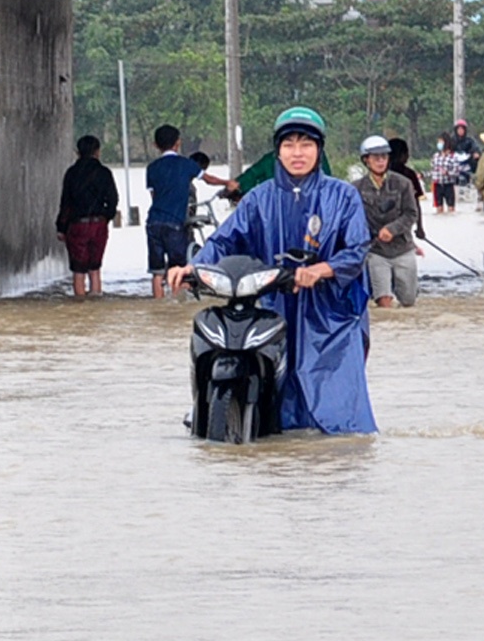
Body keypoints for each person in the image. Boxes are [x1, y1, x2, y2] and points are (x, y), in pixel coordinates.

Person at [167, 106, 375, 434]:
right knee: (279, 403)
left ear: (319, 149)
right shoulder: (258, 199)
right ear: (277, 150)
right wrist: (192, 266)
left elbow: (357, 249)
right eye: (289, 144)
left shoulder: (343, 195)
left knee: (339, 421)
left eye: (306, 144)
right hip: (275, 302)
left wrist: (321, 270)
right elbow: (224, 241)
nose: (297, 153)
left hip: (332, 313)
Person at [351, 134, 422, 309]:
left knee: (408, 301)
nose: (381, 161)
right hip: (375, 251)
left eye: (384, 157)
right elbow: (352, 220)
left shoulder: (404, 183)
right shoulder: (355, 189)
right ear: (366, 160)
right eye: (376, 157)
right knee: (384, 301)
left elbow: (411, 213)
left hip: (403, 248)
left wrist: (392, 229)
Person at [56, 134, 118, 300]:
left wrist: (61, 228)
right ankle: (96, 305)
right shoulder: (104, 173)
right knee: (95, 268)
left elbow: (65, 203)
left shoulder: (71, 173)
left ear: (78, 152)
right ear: (97, 152)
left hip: (77, 225)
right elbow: (113, 200)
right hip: (99, 225)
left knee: (78, 270)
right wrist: (106, 217)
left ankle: (80, 309)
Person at [144, 124, 199, 299]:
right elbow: (207, 178)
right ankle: (176, 305)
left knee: (157, 271)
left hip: (153, 223)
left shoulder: (152, 168)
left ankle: (159, 305)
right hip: (174, 223)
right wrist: (228, 183)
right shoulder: (186, 164)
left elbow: (154, 195)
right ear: (178, 143)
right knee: (178, 268)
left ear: (155, 145)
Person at [430, 138, 461, 215]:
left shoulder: (453, 157)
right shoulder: (436, 156)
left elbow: (456, 172)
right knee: (439, 210)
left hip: (449, 185)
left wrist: (448, 173)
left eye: (441, 142)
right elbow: (433, 170)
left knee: (451, 209)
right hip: (437, 185)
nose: (439, 144)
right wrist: (422, 175)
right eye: (438, 142)